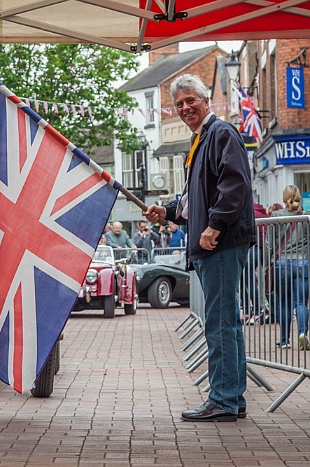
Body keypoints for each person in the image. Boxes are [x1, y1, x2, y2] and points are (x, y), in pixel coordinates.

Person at [144, 74, 256, 422]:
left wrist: (215, 225)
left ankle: (222, 399)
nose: (185, 108)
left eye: (190, 100)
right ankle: (231, 399)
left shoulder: (220, 133)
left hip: (219, 243)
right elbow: (195, 199)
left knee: (220, 323)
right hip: (213, 243)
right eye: (179, 104)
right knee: (227, 322)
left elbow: (234, 183)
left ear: (206, 100)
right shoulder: (201, 140)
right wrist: (168, 210)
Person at [267, 185, 309, 350]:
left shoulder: (276, 216)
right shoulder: (306, 216)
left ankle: (284, 340)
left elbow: (270, 242)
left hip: (282, 263)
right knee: (301, 302)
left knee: (284, 303)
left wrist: (267, 263)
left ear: (284, 198)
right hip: (303, 262)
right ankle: (302, 333)